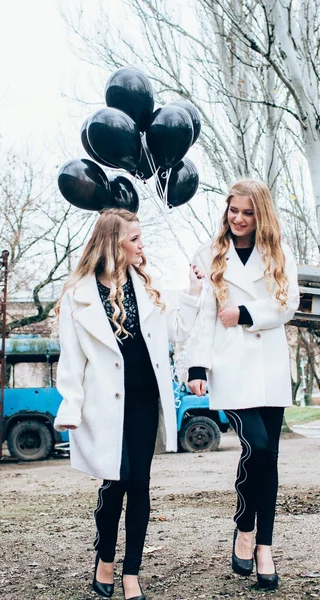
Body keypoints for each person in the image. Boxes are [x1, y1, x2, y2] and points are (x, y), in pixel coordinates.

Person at [53, 208, 203, 600]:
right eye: (134, 239)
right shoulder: (78, 296)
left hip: (143, 402)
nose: (142, 245)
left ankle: (132, 572)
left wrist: (192, 293)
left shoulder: (146, 287)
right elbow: (71, 359)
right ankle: (105, 560)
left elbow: (178, 332)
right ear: (112, 244)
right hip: (104, 405)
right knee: (114, 483)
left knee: (139, 485)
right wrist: (70, 406)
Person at [186, 178, 299, 590]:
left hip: (269, 365)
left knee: (268, 460)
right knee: (258, 445)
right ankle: (244, 526)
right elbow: (201, 316)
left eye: (248, 212)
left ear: (261, 215)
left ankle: (262, 546)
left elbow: (288, 302)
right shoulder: (209, 253)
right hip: (230, 366)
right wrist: (196, 368)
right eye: (233, 210)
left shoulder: (278, 252)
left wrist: (246, 312)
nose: (238, 218)